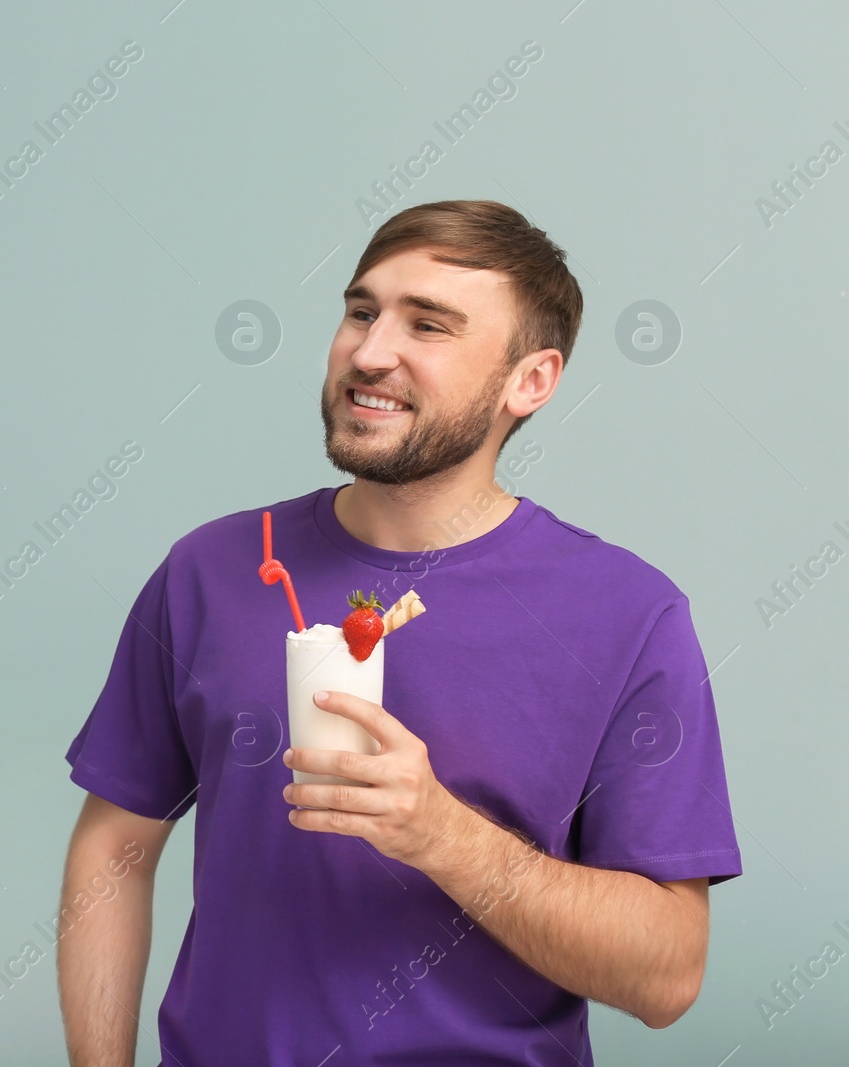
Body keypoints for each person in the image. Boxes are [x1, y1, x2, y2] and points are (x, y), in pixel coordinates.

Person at [57, 199, 742, 1066]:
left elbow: (668, 975)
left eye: (429, 325)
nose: (370, 351)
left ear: (529, 381)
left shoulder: (629, 615)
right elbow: (115, 842)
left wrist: (442, 835)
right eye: (360, 311)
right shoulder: (212, 571)